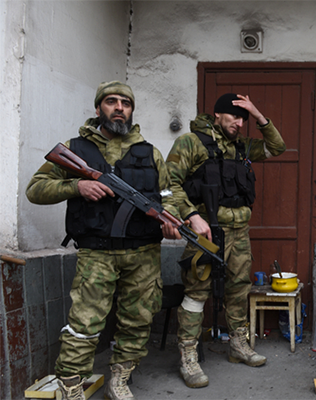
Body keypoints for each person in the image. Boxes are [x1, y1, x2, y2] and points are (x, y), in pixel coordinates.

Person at [26, 81, 181, 400]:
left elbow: (170, 194)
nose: (119, 107)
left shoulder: (150, 152)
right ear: (99, 109)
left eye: (126, 103)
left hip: (144, 254)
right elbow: (35, 189)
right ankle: (70, 386)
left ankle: (120, 378)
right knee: (84, 323)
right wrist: (75, 187)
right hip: (96, 254)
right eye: (112, 101)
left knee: (138, 321)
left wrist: (171, 216)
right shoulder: (75, 149)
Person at [166, 93, 286, 387]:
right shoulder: (191, 143)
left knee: (238, 289)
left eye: (243, 118)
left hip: (239, 231)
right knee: (196, 293)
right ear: (218, 115)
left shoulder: (242, 146)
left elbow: (277, 147)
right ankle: (188, 357)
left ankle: (237, 345)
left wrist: (259, 114)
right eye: (235, 116)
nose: (240, 122)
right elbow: (169, 184)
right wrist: (192, 215)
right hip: (205, 231)